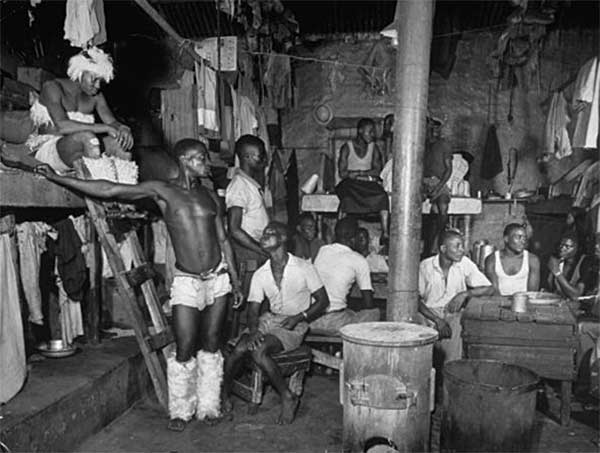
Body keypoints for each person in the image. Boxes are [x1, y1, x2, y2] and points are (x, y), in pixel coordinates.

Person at [35, 139, 242, 432]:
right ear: (184, 160)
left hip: (218, 278)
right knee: (184, 346)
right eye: (200, 158)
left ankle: (208, 408)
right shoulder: (163, 191)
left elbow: (222, 239)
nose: (206, 164)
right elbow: (111, 189)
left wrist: (235, 276)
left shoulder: (211, 198)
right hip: (187, 281)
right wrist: (58, 177)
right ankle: (181, 410)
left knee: (211, 344)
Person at [223, 222, 329, 424]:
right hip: (269, 319)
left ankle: (287, 396)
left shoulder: (304, 267)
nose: (264, 236)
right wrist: (254, 330)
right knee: (239, 349)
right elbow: (253, 310)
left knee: (258, 350)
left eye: (270, 233)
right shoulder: (260, 274)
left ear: (283, 239)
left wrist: (300, 317)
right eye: (263, 233)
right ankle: (224, 395)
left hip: (295, 323)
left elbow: (323, 301)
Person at [27, 47, 133, 173]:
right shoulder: (52, 87)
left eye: (101, 81)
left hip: (82, 148)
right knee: (88, 138)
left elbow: (111, 122)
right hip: (49, 149)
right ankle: (97, 189)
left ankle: (124, 188)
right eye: (94, 79)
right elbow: (62, 126)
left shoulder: (96, 96)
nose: (98, 86)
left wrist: (122, 128)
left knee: (121, 147)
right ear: (80, 72)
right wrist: (106, 128)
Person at [418, 230, 494, 363]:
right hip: (428, 315)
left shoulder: (464, 263)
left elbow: (489, 288)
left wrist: (465, 294)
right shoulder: (425, 266)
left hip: (453, 315)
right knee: (424, 357)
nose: (462, 250)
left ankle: (448, 377)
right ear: (443, 249)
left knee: (452, 356)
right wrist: (437, 320)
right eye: (457, 246)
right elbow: (415, 300)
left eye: (462, 246)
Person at [311, 218, 380, 335]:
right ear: (354, 238)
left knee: (349, 311)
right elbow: (368, 303)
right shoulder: (358, 260)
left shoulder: (322, 250)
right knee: (374, 313)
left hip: (312, 319)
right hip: (333, 323)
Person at [226, 135, 270, 298]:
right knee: (247, 299)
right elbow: (234, 229)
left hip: (255, 248)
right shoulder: (239, 185)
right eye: (261, 156)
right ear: (246, 157)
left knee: (257, 299)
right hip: (247, 252)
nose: (264, 160)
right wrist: (260, 250)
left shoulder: (250, 183)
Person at [335, 118, 389, 247]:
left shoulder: (373, 148)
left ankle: (385, 233)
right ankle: (339, 235)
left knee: (382, 195)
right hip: (350, 183)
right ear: (360, 131)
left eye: (373, 132)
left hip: (365, 182)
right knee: (346, 198)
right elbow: (342, 173)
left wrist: (359, 173)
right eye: (369, 132)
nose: (372, 135)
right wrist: (353, 175)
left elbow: (377, 171)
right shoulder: (347, 147)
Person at [422, 116, 453, 255]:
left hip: (438, 182)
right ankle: (423, 246)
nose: (432, 131)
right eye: (428, 128)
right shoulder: (421, 145)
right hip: (422, 181)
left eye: (434, 128)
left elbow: (448, 170)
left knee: (443, 206)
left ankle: (437, 243)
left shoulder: (443, 145)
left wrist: (438, 188)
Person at [484, 223, 540, 295]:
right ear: (506, 239)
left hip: (524, 302)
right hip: (498, 302)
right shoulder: (492, 260)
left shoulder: (532, 260)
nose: (523, 241)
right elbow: (494, 291)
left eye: (524, 238)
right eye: (518, 237)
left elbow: (532, 293)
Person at [547, 231, 595, 300]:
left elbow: (576, 295)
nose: (562, 248)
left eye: (567, 246)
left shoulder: (585, 262)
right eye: (561, 245)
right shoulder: (558, 260)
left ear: (577, 247)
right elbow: (550, 287)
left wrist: (557, 272)